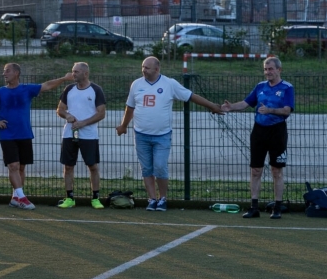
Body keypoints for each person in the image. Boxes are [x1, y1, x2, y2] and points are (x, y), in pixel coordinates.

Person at [117, 56, 224, 212]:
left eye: (147, 67)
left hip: (162, 135)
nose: (144, 70)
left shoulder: (169, 84)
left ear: (156, 69)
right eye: (142, 67)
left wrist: (212, 106)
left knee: (160, 167)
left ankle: (163, 198)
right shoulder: (136, 84)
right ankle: (152, 199)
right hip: (141, 135)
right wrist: (123, 125)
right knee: (146, 169)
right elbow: (130, 108)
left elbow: (190, 96)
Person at [0, 63, 74, 210]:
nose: (4, 74)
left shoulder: (27, 89)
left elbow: (47, 85)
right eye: (4, 71)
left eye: (7, 71)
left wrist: (64, 78)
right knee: (13, 166)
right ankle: (22, 198)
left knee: (21, 167)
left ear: (16, 73)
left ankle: (15, 198)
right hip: (7, 135)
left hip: (24, 134)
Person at [221, 56, 294, 220]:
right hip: (259, 131)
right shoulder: (260, 87)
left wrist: (270, 111)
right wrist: (231, 107)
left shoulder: (287, 88)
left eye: (271, 69)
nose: (268, 72)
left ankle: (277, 207)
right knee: (255, 170)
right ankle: (254, 207)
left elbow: (287, 110)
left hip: (277, 132)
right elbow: (246, 103)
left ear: (279, 70)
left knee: (277, 171)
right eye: (265, 69)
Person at [55, 62, 106, 209]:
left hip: (89, 135)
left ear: (85, 73)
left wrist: (83, 123)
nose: (73, 74)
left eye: (76, 72)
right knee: (68, 166)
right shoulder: (69, 89)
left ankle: (95, 198)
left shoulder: (96, 90)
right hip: (69, 134)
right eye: (72, 71)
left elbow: (101, 113)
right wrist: (67, 115)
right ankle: (69, 198)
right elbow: (60, 109)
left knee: (92, 166)